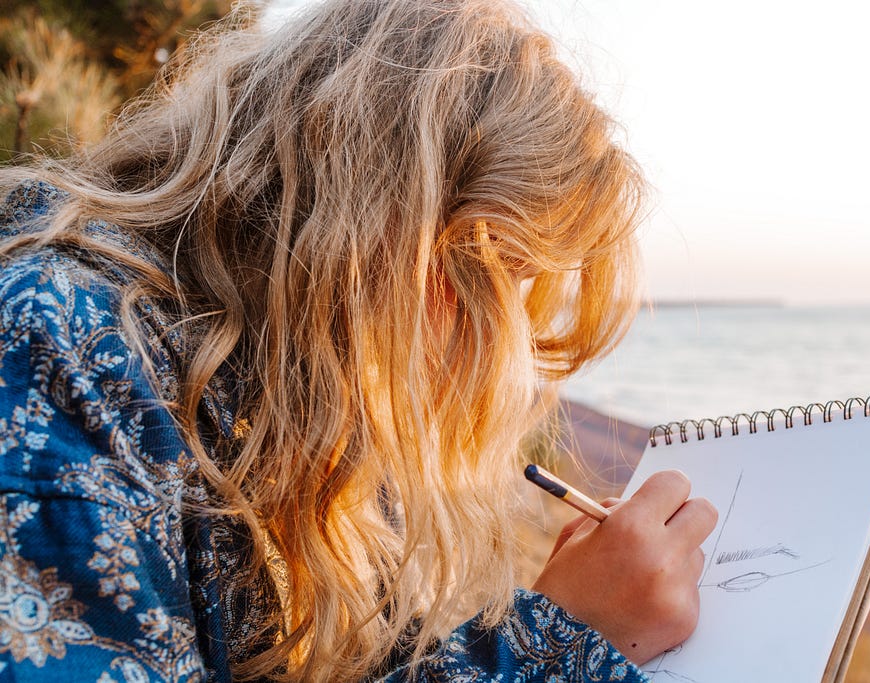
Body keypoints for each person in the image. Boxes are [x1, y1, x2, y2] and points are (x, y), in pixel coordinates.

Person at [0, 0, 717, 680]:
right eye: (508, 283)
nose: (506, 352)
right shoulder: (56, 349)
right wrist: (559, 642)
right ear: (402, 242)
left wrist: (571, 619)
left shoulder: (311, 404)